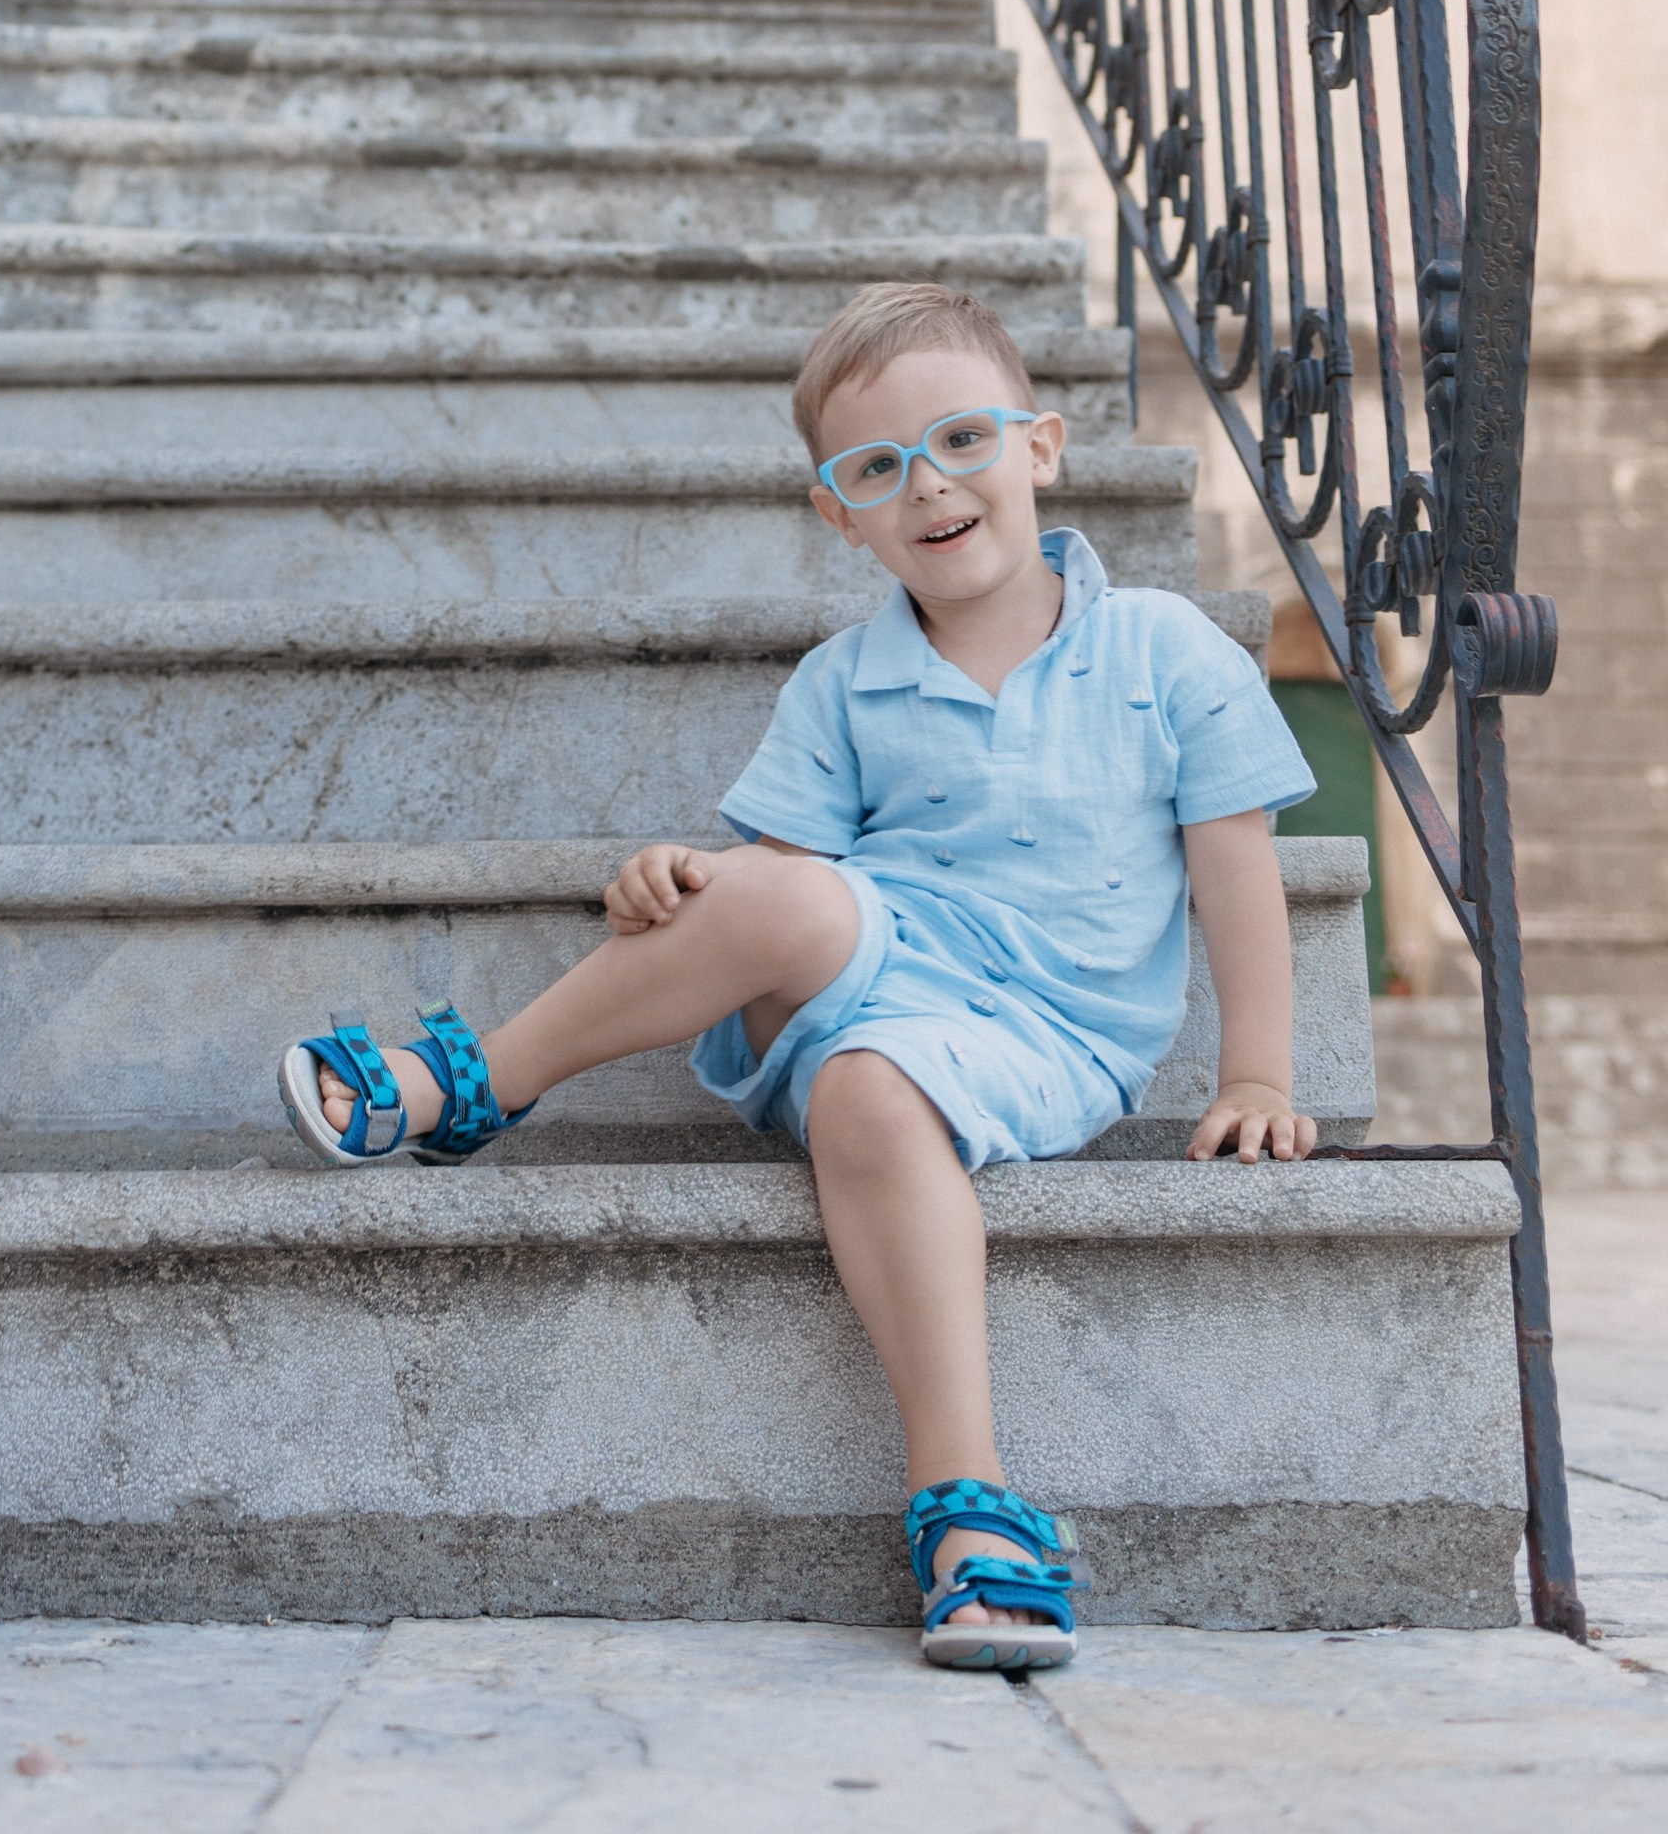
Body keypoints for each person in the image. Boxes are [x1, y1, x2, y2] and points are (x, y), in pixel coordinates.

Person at [275, 279, 1319, 1674]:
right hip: (870, 968)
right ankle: (467, 1083)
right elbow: (772, 891)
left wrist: (1256, 1073)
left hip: (1048, 1035)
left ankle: (965, 1509)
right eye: (879, 468)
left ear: (1042, 447)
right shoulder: (845, 681)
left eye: (962, 440)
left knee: (878, 1102)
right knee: (777, 909)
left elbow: (1238, 870)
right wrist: (682, 883)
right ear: (840, 513)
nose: (931, 486)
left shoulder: (1167, 654)